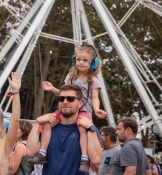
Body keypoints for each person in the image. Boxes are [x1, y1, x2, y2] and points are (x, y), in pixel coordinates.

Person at [29, 43, 107, 173]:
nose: (81, 62)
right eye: (78, 59)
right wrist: (52, 89)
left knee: (83, 127)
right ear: (74, 60)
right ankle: (42, 153)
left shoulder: (93, 80)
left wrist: (97, 109)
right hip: (68, 112)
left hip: (84, 111)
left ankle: (84, 158)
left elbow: (95, 98)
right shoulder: (70, 77)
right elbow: (63, 93)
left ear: (93, 63)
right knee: (49, 120)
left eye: (85, 60)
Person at [26, 84, 102, 175]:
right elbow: (30, 152)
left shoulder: (88, 129)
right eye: (61, 99)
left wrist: (90, 128)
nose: (65, 102)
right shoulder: (49, 127)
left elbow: (96, 160)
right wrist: (37, 122)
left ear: (80, 103)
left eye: (70, 99)